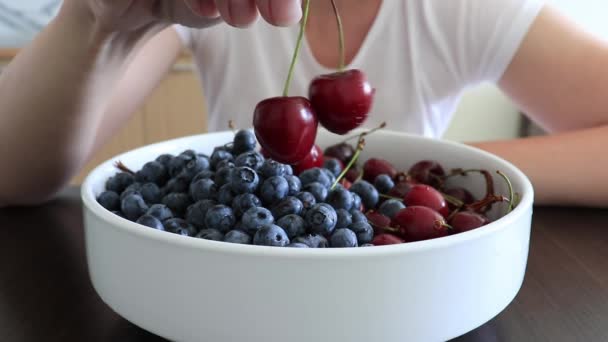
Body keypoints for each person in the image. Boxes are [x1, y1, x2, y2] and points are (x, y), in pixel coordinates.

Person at [0, 0, 605, 208]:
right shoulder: (209, 10)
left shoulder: (458, 9)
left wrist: (424, 168)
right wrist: (94, 21)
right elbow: (10, 174)